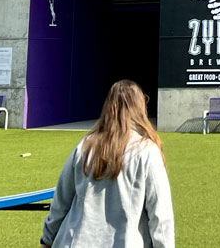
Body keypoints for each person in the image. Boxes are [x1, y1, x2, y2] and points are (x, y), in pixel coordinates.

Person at [41, 80, 173, 248]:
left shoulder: (85, 146)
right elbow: (161, 215)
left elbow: (60, 202)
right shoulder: (147, 151)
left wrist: (47, 239)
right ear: (140, 108)